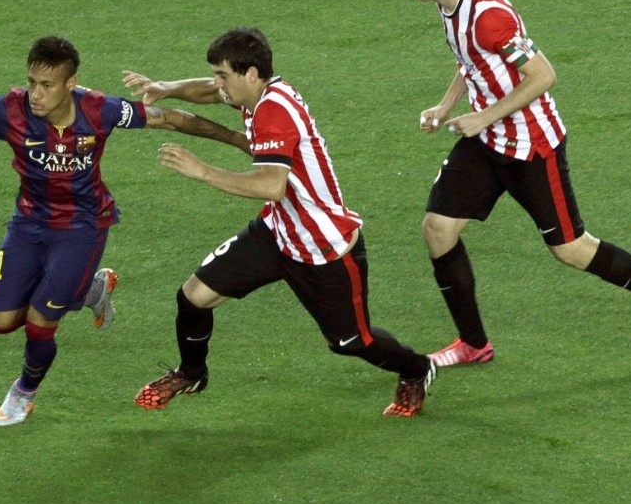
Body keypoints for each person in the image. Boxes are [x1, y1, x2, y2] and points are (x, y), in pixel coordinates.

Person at [0, 36, 250, 426]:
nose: (36, 94)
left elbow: (172, 119)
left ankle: (24, 391)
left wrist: (238, 139)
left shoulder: (100, 110)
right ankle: (90, 290)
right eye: (32, 82)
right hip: (28, 225)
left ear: (70, 84)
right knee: (0, 323)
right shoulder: (8, 110)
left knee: (40, 321)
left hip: (83, 227)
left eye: (47, 85)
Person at [399, 0, 631, 367]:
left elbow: (543, 76)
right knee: (438, 229)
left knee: (570, 249)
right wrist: (446, 106)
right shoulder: (449, 5)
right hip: (488, 140)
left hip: (531, 145)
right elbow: (472, 62)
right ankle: (473, 343)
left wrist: (482, 116)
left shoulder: (489, 16)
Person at [125, 27, 437, 417]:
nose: (218, 84)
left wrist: (202, 170)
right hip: (278, 232)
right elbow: (209, 91)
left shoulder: (275, 112)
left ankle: (416, 368)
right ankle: (191, 373)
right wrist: (166, 88)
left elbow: (271, 186)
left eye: (223, 76)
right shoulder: (255, 92)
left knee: (350, 342)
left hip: (325, 249)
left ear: (251, 74)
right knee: (193, 297)